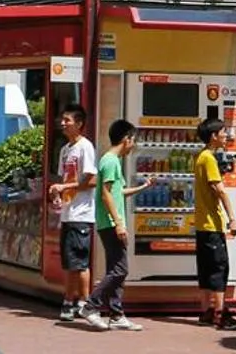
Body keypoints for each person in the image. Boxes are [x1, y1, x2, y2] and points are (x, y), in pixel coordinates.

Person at [81, 120, 142, 332]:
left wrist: (142, 187)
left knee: (115, 269)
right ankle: (90, 306)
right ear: (126, 139)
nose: (133, 145)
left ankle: (116, 314)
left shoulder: (112, 161)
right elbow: (106, 194)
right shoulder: (110, 161)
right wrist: (118, 223)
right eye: (133, 140)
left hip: (111, 222)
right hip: (110, 223)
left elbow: (117, 192)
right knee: (120, 269)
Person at [47, 104, 97, 323]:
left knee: (80, 263)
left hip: (82, 214)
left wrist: (64, 188)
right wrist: (56, 193)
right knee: (70, 263)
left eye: (67, 120)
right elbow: (63, 179)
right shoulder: (66, 149)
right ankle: (72, 301)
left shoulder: (85, 147)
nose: (63, 123)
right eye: (63, 120)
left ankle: (84, 303)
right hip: (68, 213)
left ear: (79, 123)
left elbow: (90, 180)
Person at [192, 117, 236, 330]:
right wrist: (232, 218)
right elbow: (219, 189)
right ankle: (220, 315)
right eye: (223, 132)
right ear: (213, 136)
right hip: (212, 224)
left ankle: (206, 312)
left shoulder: (200, 157)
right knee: (219, 269)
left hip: (202, 224)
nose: (226, 135)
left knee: (205, 269)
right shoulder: (209, 159)